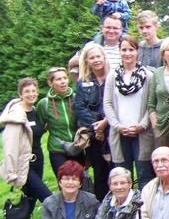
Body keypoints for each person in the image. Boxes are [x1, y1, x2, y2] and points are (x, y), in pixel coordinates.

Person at [1, 78, 53, 219]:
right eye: (27, 92)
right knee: (49, 198)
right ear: (20, 94)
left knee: (29, 202)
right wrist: (12, 172)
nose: (31, 94)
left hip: (38, 162)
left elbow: (37, 133)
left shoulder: (36, 111)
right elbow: (9, 146)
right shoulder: (16, 116)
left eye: (34, 91)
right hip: (24, 167)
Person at [103, 35, 155, 189]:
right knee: (122, 177)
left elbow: (151, 104)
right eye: (124, 50)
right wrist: (117, 126)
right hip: (119, 133)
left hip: (142, 133)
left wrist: (142, 125)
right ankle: (125, 211)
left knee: (144, 176)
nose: (127, 53)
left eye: (131, 50)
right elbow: (107, 103)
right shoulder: (112, 77)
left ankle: (143, 211)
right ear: (119, 51)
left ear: (137, 51)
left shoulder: (148, 76)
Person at [73, 44, 112, 200]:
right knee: (99, 171)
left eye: (98, 56)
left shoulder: (114, 77)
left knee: (115, 169)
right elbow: (80, 108)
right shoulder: (83, 83)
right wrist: (97, 127)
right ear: (87, 61)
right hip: (94, 134)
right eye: (92, 58)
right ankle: (102, 207)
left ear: (104, 57)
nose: (96, 60)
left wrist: (106, 123)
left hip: (113, 130)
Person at [36, 66, 82, 177]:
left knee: (80, 181)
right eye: (58, 79)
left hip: (77, 146)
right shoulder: (44, 104)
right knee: (64, 182)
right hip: (57, 148)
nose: (63, 82)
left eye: (65, 78)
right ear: (50, 83)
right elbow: (39, 128)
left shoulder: (77, 98)